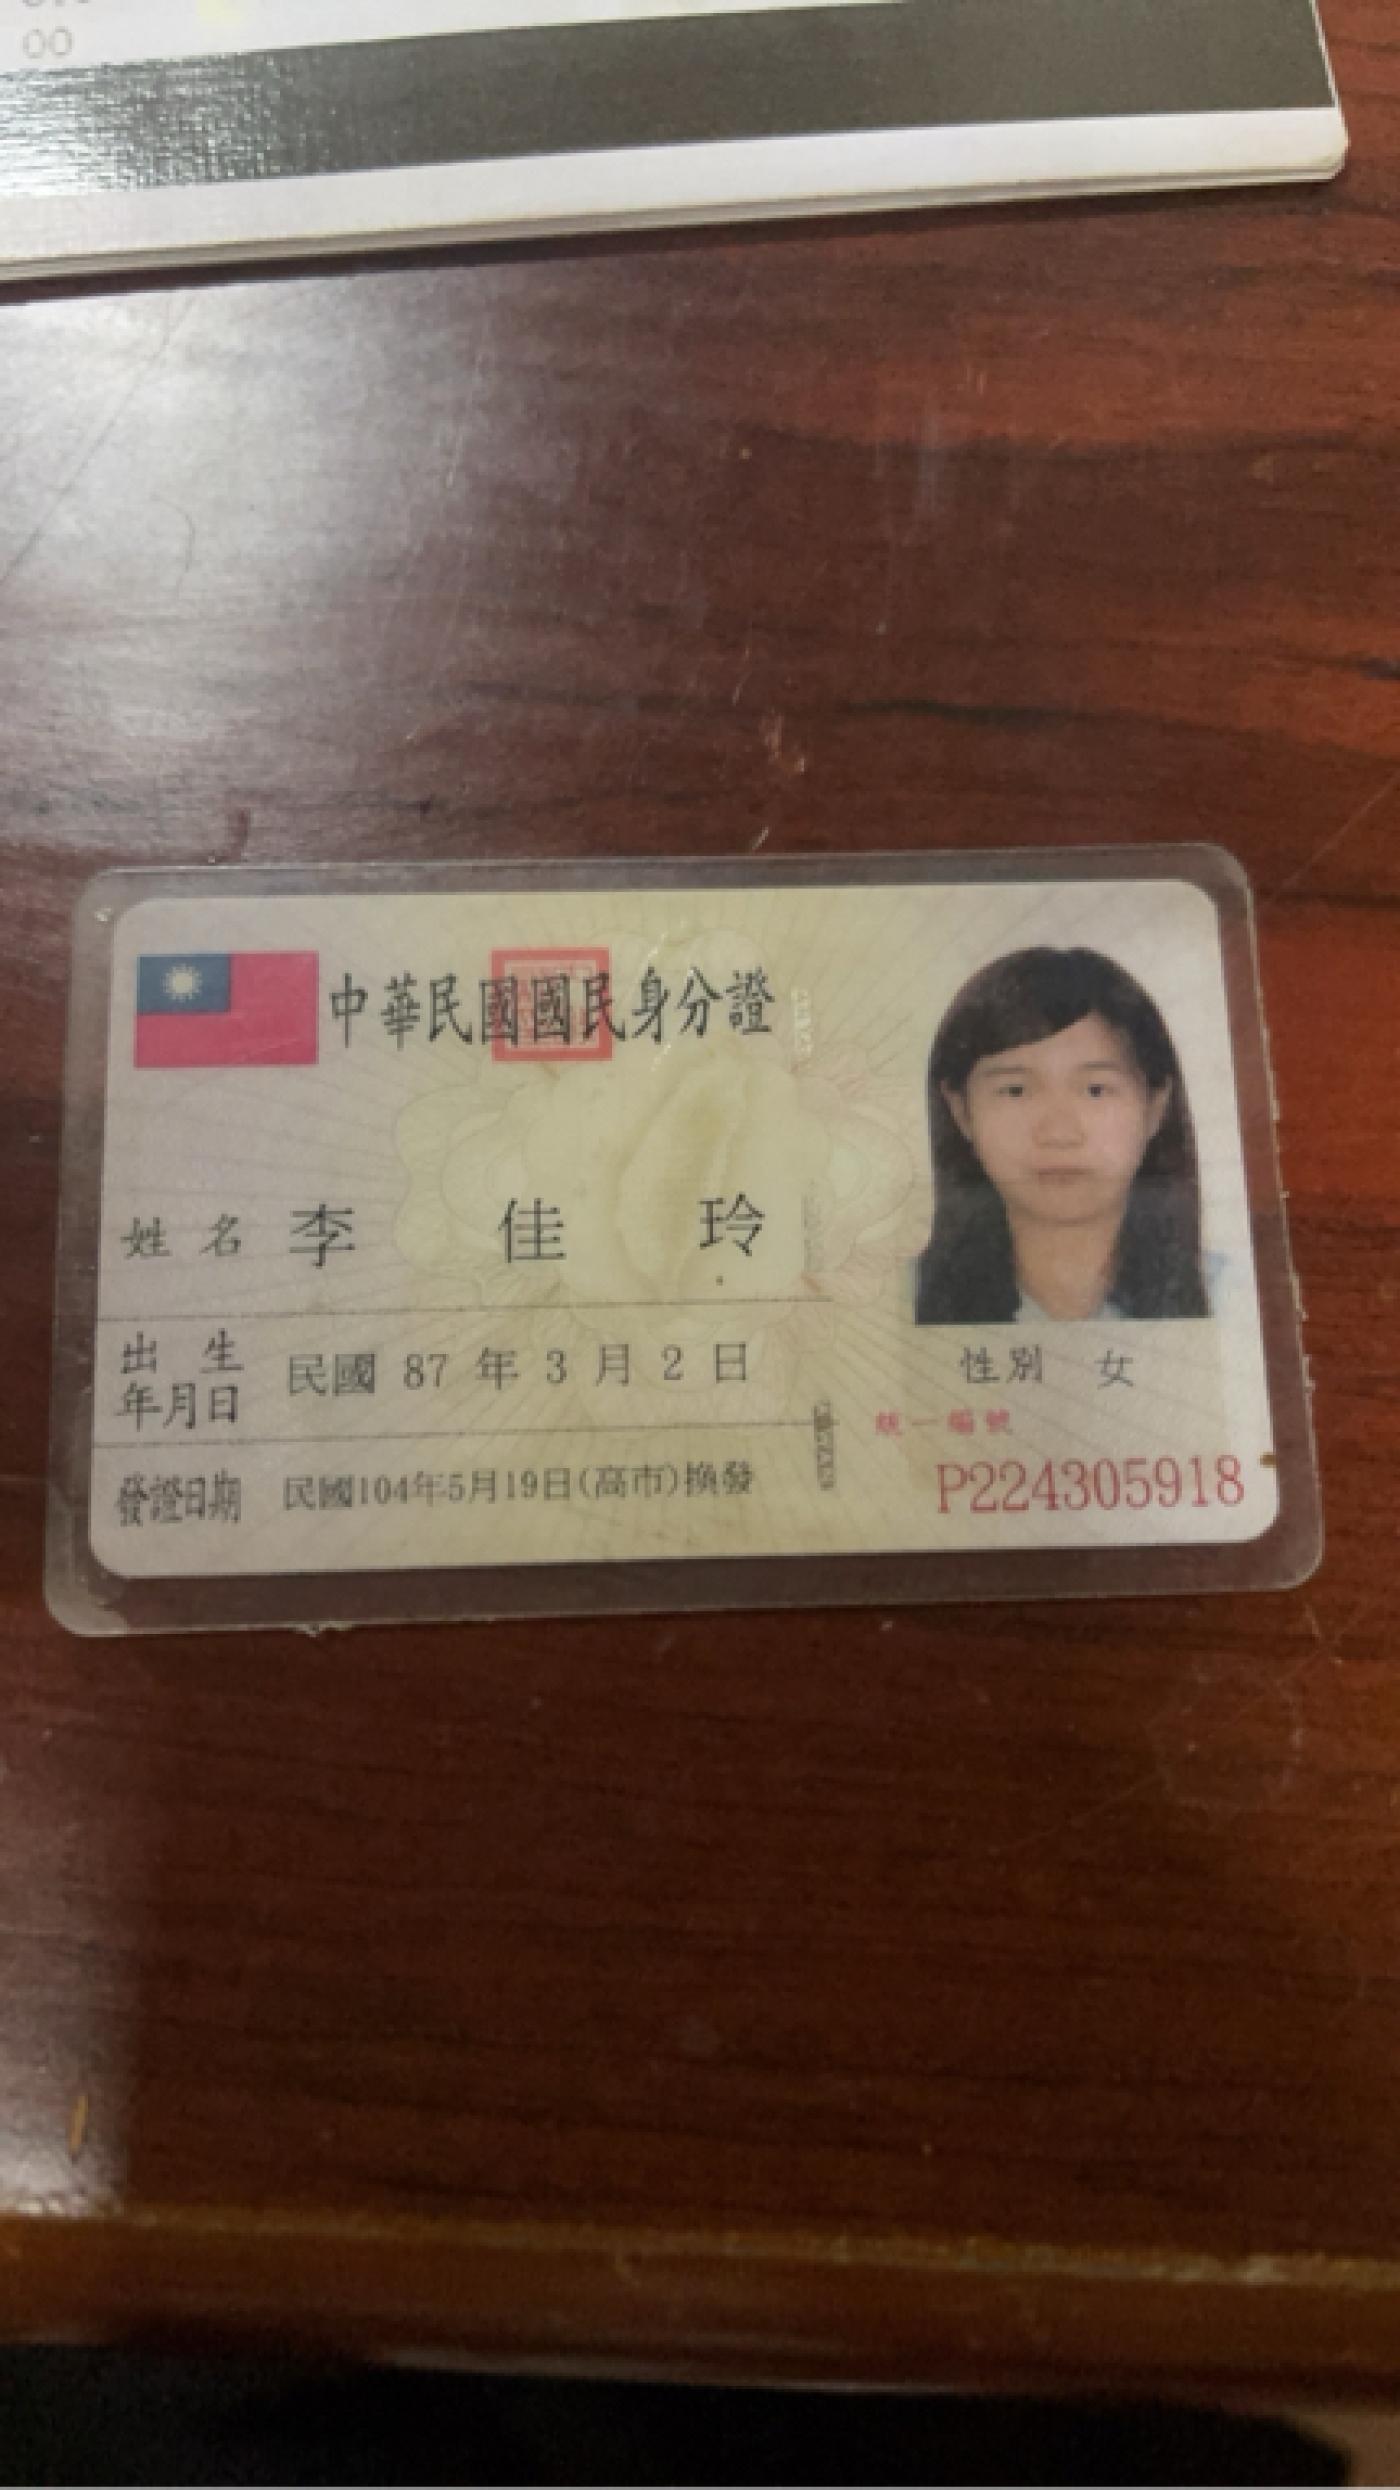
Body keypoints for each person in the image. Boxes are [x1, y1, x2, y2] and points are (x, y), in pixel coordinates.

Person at [912, 945, 1209, 1324]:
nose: (1058, 1133)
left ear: (1156, 1106)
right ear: (960, 1111)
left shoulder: (1236, 1299)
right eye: (1015, 1091)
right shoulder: (892, 1302)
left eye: (1096, 1090)